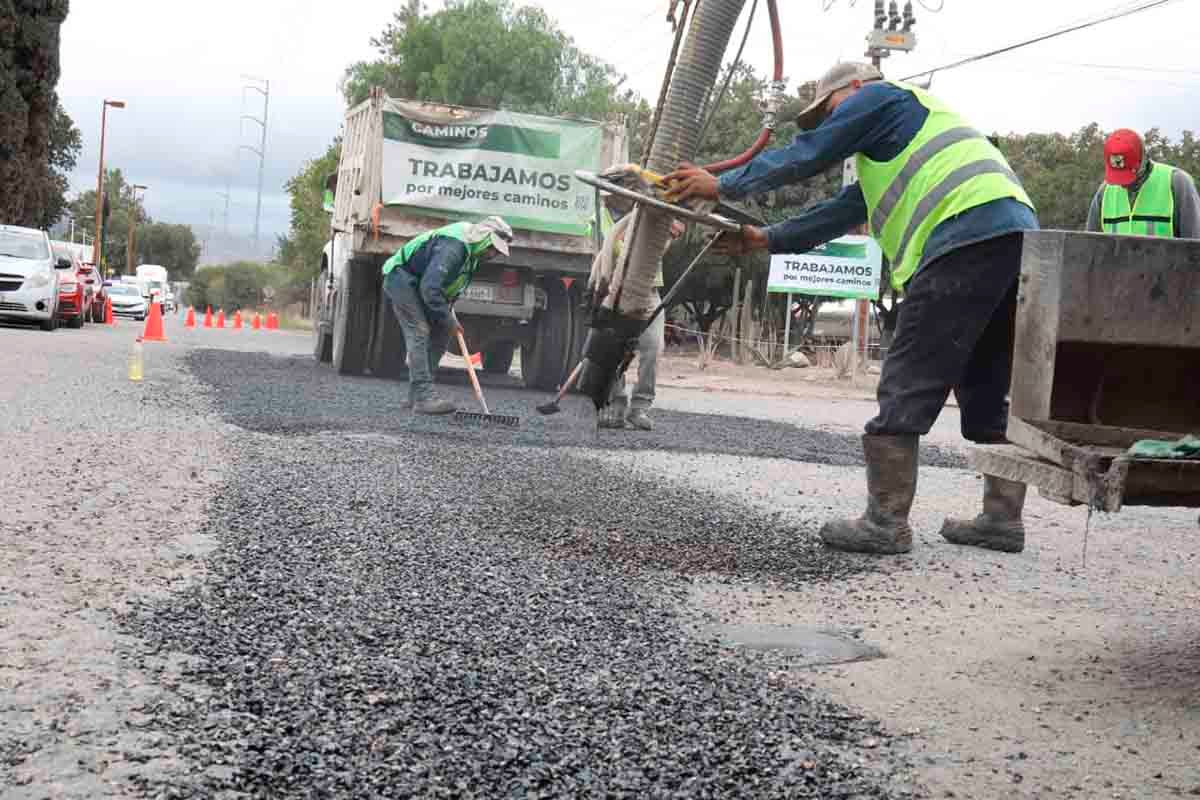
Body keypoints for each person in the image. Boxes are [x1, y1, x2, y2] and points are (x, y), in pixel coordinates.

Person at [666, 62, 1040, 556]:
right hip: (1016, 239)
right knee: (987, 388)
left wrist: (725, 184)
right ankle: (1001, 519)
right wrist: (765, 239)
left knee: (907, 377)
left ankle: (885, 523)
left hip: (962, 234)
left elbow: (809, 153)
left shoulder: (883, 98)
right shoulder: (901, 141)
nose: (827, 122)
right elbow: (837, 213)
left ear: (855, 88)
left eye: (828, 109)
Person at [381, 217, 513, 414]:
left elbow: (449, 287)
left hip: (421, 283)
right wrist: (447, 317)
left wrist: (449, 315)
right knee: (419, 331)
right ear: (484, 238)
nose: (493, 254)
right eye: (492, 248)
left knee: (441, 333)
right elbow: (430, 288)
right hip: (401, 278)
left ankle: (416, 398)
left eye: (497, 251)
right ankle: (424, 397)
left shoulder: (472, 255)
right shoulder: (453, 247)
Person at [591, 195, 685, 430]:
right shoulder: (598, 220)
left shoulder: (652, 214)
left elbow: (653, 252)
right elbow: (615, 250)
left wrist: (669, 234)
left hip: (650, 291)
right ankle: (615, 404)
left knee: (653, 347)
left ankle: (640, 407)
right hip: (616, 291)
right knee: (614, 349)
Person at [1085, 128, 1200, 238]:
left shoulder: (1177, 183)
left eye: (1128, 173)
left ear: (1144, 159)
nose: (1123, 184)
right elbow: (1090, 248)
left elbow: (1195, 247)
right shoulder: (1104, 191)